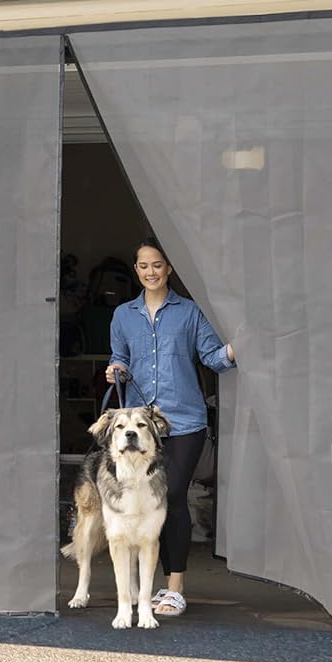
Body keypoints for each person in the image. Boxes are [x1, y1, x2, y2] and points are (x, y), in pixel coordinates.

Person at [104, 238, 235, 618]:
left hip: (185, 422)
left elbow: (211, 356)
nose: (151, 272)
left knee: (172, 495)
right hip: (143, 428)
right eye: (144, 266)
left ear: (169, 269)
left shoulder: (190, 313)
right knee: (147, 503)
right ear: (136, 270)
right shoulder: (123, 316)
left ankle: (175, 587)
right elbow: (120, 357)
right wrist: (116, 368)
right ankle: (149, 586)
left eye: (157, 265)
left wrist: (237, 348)